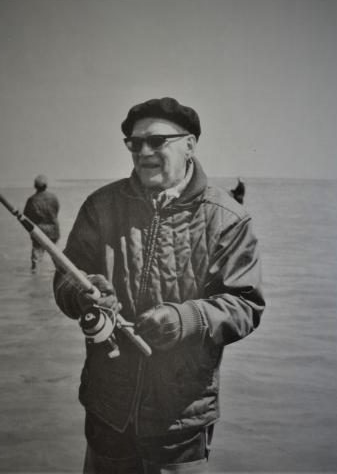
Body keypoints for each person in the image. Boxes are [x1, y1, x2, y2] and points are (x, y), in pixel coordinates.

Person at [53, 97, 265, 473]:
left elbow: (245, 304)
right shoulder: (99, 206)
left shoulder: (229, 219)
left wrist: (186, 319)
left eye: (156, 141)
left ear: (190, 145)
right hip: (107, 410)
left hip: (182, 417)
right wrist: (83, 292)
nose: (144, 152)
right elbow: (65, 278)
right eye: (135, 143)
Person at [23, 174, 60, 272]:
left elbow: (26, 216)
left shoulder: (32, 200)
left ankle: (34, 275)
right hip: (53, 230)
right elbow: (56, 211)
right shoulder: (53, 197)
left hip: (39, 230)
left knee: (36, 258)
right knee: (56, 256)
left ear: (35, 186)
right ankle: (60, 273)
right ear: (46, 185)